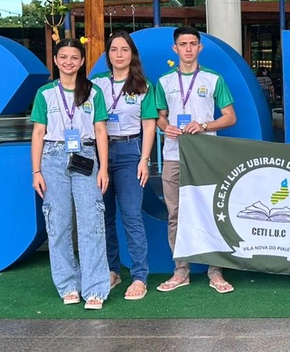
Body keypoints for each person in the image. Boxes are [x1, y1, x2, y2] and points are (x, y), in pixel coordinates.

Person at [153, 26, 237, 293]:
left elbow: (230, 117)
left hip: (205, 156)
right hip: (173, 155)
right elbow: (160, 116)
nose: (188, 48)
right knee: (175, 214)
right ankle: (181, 271)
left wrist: (203, 125)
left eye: (193, 44)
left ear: (200, 48)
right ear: (174, 49)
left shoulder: (213, 78)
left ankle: (215, 271)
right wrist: (165, 126)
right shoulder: (164, 81)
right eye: (183, 44)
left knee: (211, 211)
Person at [30, 38, 110, 308]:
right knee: (59, 224)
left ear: (82, 61)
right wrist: (36, 170)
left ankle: (96, 288)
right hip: (52, 157)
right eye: (63, 57)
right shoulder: (45, 93)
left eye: (74, 57)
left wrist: (104, 168)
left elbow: (100, 131)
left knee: (91, 223)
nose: (68, 62)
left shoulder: (94, 92)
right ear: (55, 61)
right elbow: (38, 132)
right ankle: (68, 285)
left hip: (85, 156)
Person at [91, 31, 157, 301]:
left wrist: (144, 159)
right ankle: (112, 270)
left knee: (131, 215)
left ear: (132, 55)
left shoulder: (143, 86)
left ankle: (140, 276)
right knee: (104, 216)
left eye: (124, 50)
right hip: (99, 153)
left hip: (131, 151)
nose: (119, 54)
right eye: (114, 49)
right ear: (108, 55)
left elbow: (149, 124)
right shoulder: (95, 85)